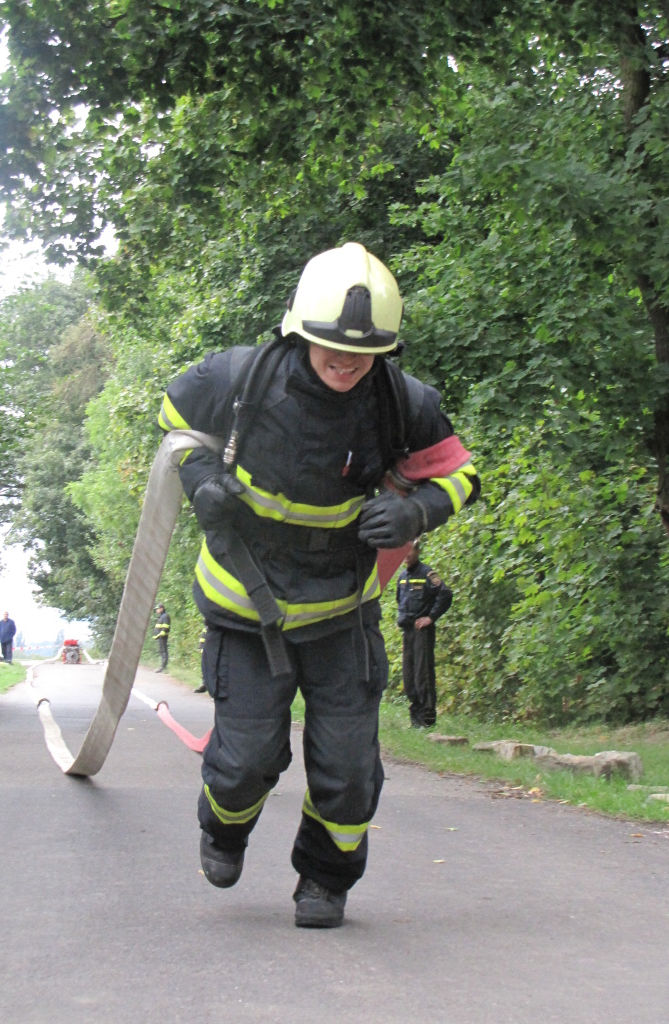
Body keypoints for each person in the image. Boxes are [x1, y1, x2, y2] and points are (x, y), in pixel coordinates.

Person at [157, 242, 479, 928]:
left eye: (363, 351)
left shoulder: (402, 403)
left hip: (343, 612)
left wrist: (420, 509)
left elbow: (461, 474)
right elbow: (173, 422)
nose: (346, 360)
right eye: (330, 344)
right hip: (247, 606)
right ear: (300, 328)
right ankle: (223, 828)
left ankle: (325, 880)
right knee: (244, 763)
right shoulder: (240, 378)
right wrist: (199, 480)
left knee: (349, 770)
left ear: (385, 349)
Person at [396, 537, 453, 728]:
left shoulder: (427, 573)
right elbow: (400, 600)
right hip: (408, 631)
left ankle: (427, 720)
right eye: (404, 551)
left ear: (418, 552)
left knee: (423, 675)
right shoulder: (402, 576)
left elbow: (445, 594)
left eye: (411, 550)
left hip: (422, 631)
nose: (407, 555)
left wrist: (431, 617)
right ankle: (415, 720)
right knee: (409, 675)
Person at [154, 604, 171, 672]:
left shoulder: (165, 616)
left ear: (162, 608)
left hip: (163, 637)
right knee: (161, 651)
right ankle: (162, 666)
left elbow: (165, 627)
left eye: (158, 608)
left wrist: (161, 634)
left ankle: (164, 667)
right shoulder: (162, 616)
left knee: (164, 651)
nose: (157, 610)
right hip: (160, 636)